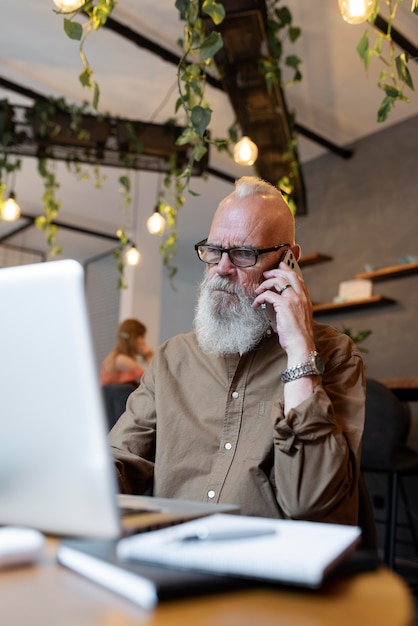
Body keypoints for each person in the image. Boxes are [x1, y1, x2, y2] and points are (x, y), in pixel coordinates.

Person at [109, 176, 365, 526]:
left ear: (288, 260)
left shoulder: (333, 355)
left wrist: (300, 352)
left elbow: (312, 503)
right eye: (214, 251)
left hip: (269, 569)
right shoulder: (172, 359)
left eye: (244, 254)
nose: (222, 270)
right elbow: (120, 460)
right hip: (168, 556)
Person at [100, 318, 153, 387]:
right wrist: (149, 356)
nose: (143, 341)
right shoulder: (122, 360)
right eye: (142, 337)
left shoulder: (113, 358)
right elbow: (150, 383)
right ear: (136, 338)